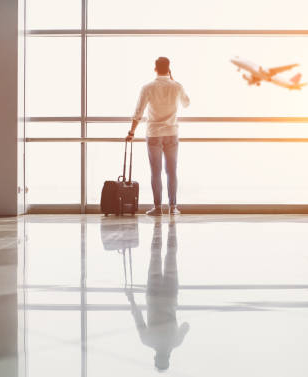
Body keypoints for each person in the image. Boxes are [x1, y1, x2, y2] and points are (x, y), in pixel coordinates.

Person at [126, 57, 190, 216]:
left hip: (154, 134)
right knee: (171, 171)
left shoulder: (147, 87)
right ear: (169, 68)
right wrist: (173, 80)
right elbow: (187, 103)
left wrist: (131, 132)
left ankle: (157, 207)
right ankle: (173, 207)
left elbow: (138, 112)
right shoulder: (176, 86)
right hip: (171, 133)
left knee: (156, 172)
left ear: (155, 68)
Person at [126, 219, 189, 371]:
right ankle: (157, 227)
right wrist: (131, 299)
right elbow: (138, 316)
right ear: (156, 358)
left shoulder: (176, 342)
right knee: (155, 256)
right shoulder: (147, 341)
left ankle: (171, 227)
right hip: (153, 295)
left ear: (168, 358)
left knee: (171, 256)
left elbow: (186, 325)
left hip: (170, 295)